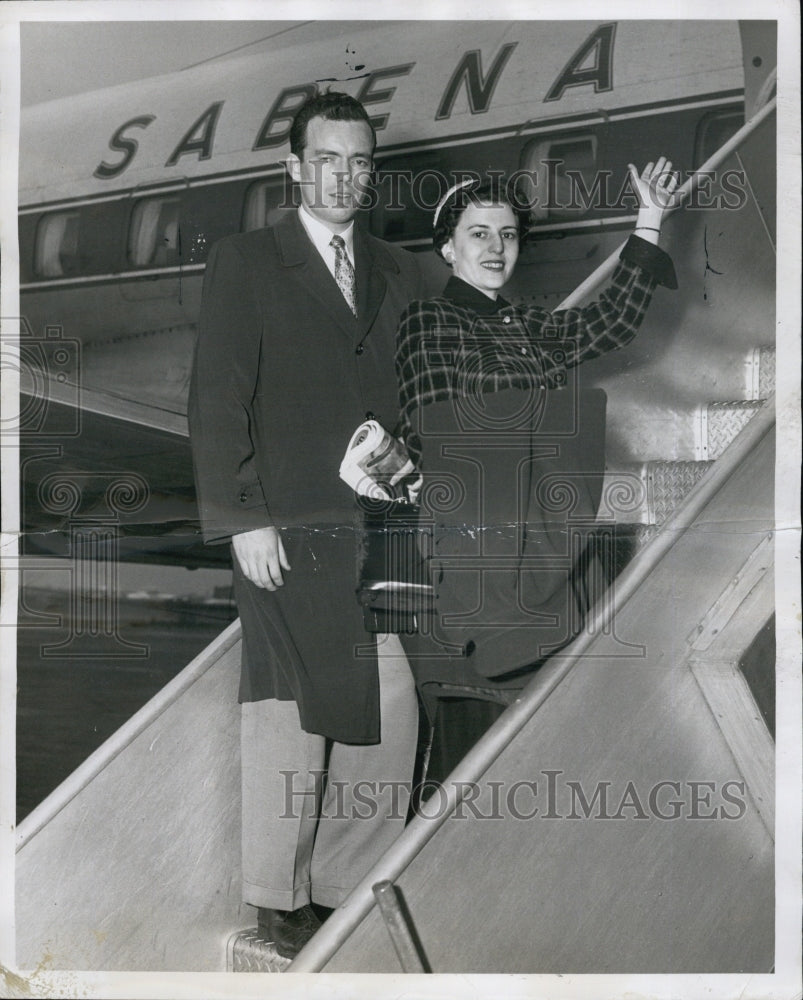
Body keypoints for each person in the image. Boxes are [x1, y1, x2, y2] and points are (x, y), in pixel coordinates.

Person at [188, 92, 429, 959]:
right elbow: (218, 401)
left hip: (377, 532)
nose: (345, 176)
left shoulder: (400, 270)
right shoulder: (247, 261)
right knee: (288, 712)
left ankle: (347, 883)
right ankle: (278, 898)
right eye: (326, 158)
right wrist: (243, 519)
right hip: (284, 532)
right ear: (293, 167)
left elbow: (418, 394)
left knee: (389, 703)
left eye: (360, 161)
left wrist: (413, 460)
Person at [395, 164, 678, 682]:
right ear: (447, 249)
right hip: (484, 550)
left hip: (543, 537)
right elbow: (450, 425)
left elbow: (613, 320)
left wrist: (651, 217)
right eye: (478, 234)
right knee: (511, 696)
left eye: (507, 235)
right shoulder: (428, 320)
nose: (496, 247)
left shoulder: (525, 325)